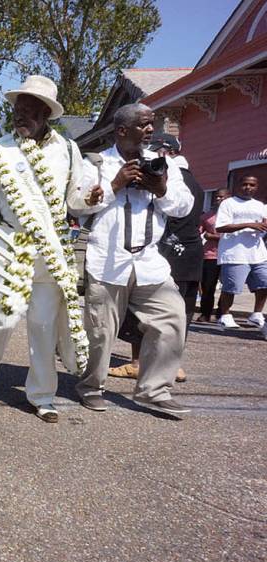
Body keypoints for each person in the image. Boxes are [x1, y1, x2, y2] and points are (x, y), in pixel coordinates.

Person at [0, 75, 93, 423]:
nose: (20, 117)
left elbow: (75, 199)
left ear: (46, 114)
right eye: (17, 111)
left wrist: (93, 197)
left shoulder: (68, 150)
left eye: (29, 111)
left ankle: (42, 396)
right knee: (3, 320)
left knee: (43, 326)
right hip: (10, 247)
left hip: (52, 250)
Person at [74, 103, 194, 416]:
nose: (151, 130)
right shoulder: (96, 163)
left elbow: (184, 206)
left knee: (172, 318)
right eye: (143, 125)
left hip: (150, 262)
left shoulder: (162, 163)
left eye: (152, 124)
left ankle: (154, 390)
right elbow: (78, 207)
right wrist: (115, 184)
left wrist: (161, 187)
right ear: (122, 130)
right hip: (107, 261)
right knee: (100, 331)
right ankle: (90, 386)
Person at [108, 133, 205, 383]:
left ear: (164, 152)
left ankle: (139, 363)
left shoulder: (172, 177)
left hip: (165, 252)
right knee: (179, 313)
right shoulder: (196, 180)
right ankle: (173, 365)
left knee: (145, 313)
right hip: (191, 254)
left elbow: (167, 216)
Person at [214, 175, 267, 334]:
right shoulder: (228, 203)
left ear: (256, 187)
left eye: (252, 185)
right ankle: (224, 315)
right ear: (238, 186)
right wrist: (249, 224)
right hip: (234, 253)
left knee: (264, 283)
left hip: (257, 253)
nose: (248, 187)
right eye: (245, 184)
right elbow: (220, 227)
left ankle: (256, 313)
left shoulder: (260, 206)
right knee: (231, 287)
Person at [197, 188, 230, 322]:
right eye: (216, 197)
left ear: (229, 198)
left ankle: (222, 312)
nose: (218, 199)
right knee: (208, 286)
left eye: (222, 197)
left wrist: (212, 236)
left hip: (229, 255)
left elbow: (232, 234)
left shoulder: (233, 216)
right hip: (210, 255)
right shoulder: (207, 216)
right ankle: (205, 313)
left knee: (228, 286)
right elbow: (199, 232)